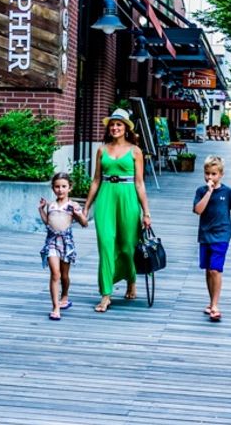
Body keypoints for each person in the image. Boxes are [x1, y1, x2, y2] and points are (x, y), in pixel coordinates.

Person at [84, 108, 152, 313]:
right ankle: (106, 294)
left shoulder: (135, 151)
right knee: (105, 244)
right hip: (106, 196)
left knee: (128, 245)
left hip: (128, 196)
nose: (115, 127)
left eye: (119, 125)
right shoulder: (101, 150)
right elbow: (96, 180)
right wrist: (86, 206)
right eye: (112, 124)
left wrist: (146, 212)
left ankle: (131, 280)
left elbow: (140, 184)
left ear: (126, 128)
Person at [193, 155, 231, 322]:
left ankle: (216, 305)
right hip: (205, 235)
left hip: (222, 235)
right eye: (207, 173)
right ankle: (211, 302)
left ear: (221, 174)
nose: (210, 177)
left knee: (215, 270)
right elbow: (198, 210)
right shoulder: (201, 191)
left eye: (213, 174)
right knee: (208, 270)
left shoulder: (227, 192)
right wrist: (209, 192)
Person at [38, 172, 88, 321]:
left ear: (69, 188)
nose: (60, 189)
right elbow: (48, 222)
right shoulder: (51, 205)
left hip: (66, 243)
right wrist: (41, 209)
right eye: (57, 186)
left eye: (63, 186)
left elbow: (84, 223)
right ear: (53, 188)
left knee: (64, 276)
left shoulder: (72, 205)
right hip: (52, 242)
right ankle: (55, 307)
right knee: (55, 274)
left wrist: (77, 214)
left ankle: (64, 295)